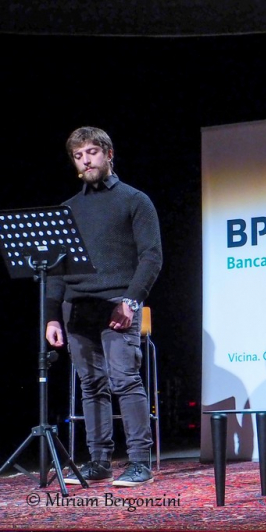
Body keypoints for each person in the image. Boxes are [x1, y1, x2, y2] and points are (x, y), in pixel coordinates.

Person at [45, 126, 163, 487]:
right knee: (91, 384)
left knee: (124, 380)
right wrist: (52, 316)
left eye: (92, 152)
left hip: (117, 303)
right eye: (78, 156)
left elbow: (151, 257)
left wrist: (131, 300)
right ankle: (99, 461)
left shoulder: (134, 200)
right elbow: (57, 270)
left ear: (109, 154)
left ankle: (139, 462)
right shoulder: (68, 209)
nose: (85, 161)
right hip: (77, 306)